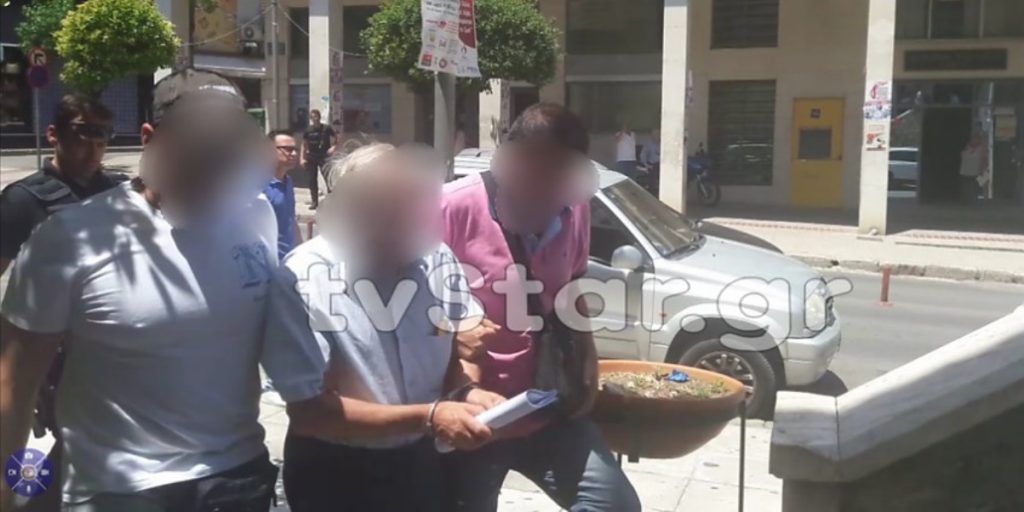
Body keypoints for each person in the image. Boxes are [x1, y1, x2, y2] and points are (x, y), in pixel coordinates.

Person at [0, 69, 281, 511]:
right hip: (118, 491)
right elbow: (14, 385)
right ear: (150, 139)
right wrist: (11, 492)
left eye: (227, 150)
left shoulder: (257, 215)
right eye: (197, 150)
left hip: (238, 478)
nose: (213, 166)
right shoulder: (69, 238)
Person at [261, 143, 504, 511]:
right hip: (337, 474)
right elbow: (311, 413)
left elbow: (456, 343)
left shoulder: (437, 260)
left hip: (423, 463)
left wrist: (464, 392)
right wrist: (429, 416)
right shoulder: (304, 278)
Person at [441, 103, 641, 512]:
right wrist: (451, 331)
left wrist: (588, 358)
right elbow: (402, 305)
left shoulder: (575, 207)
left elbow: (570, 286)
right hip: (475, 415)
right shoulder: (450, 207)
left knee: (615, 504)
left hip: (548, 405)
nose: (547, 186)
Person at [0, 94, 122, 512]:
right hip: (50, 353)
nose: (94, 147)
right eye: (83, 134)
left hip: (110, 347)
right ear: (53, 134)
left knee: (87, 444)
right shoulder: (24, 199)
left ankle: (35, 500)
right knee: (72, 441)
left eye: (103, 137)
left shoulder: (118, 193)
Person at [264, 129, 302, 261]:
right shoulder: (259, 187)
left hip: (290, 259)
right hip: (270, 262)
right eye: (288, 149)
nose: (294, 154)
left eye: (295, 149)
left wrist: (301, 249)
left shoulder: (288, 182)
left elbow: (291, 218)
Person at [301, 109, 337, 209]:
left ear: (319, 117)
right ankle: (314, 202)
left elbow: (337, 137)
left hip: (323, 156)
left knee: (328, 178)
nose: (314, 118)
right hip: (311, 157)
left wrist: (333, 147)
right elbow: (304, 144)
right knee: (312, 180)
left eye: (316, 116)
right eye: (312, 117)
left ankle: (332, 201)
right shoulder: (308, 130)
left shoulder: (326, 128)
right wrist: (302, 158)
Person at [959, 125, 989, 203]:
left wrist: (983, 169)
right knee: (968, 186)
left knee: (981, 185)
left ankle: (982, 200)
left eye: (976, 139)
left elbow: (984, 159)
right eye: (973, 139)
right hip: (966, 171)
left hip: (979, 171)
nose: (974, 141)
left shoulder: (982, 148)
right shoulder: (967, 147)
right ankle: (968, 199)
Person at [640, 128, 661, 192]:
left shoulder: (663, 143)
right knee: (652, 179)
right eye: (655, 134)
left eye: (658, 134)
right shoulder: (648, 144)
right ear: (652, 135)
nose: (656, 136)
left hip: (662, 164)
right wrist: (646, 164)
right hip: (652, 164)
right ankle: (652, 190)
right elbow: (643, 154)